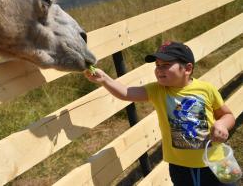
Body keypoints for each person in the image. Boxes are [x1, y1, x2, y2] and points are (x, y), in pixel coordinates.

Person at [84, 41, 237, 186]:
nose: (159, 69)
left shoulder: (206, 89)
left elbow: (227, 115)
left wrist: (222, 124)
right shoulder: (157, 90)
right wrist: (104, 79)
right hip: (180, 167)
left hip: (217, 160)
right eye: (157, 65)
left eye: (166, 65)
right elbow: (126, 93)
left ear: (187, 69)